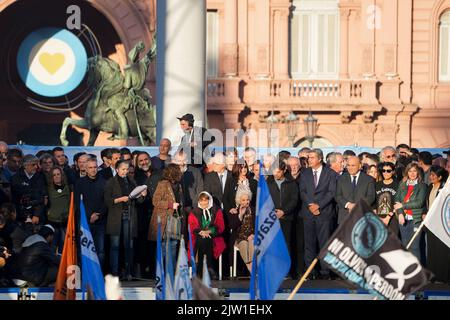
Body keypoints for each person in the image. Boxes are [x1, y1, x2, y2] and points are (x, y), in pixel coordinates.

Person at [104, 160, 147, 279]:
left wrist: (142, 195)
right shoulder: (111, 182)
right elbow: (107, 201)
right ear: (117, 169)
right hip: (116, 217)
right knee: (115, 246)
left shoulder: (131, 181)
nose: (125, 172)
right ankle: (115, 273)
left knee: (129, 245)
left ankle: (129, 272)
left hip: (129, 216)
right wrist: (120, 199)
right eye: (123, 169)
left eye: (127, 169)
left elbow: (138, 200)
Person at [299, 149, 337, 279]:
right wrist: (311, 205)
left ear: (320, 159)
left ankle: (325, 272)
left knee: (324, 244)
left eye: (312, 157)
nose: (309, 160)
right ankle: (310, 272)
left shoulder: (330, 174)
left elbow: (331, 192)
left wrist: (319, 205)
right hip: (308, 214)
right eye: (308, 157)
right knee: (309, 245)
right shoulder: (304, 173)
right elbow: (302, 191)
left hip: (324, 214)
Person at [149, 164, 184, 270]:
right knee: (164, 247)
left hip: (175, 220)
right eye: (179, 170)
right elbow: (155, 201)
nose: (181, 172)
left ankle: (171, 273)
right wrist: (170, 205)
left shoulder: (179, 185)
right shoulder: (163, 184)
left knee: (173, 246)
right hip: (164, 220)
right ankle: (161, 273)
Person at [74, 158, 108, 268]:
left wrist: (98, 214)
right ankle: (85, 274)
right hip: (84, 221)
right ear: (86, 169)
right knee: (83, 250)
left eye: (95, 167)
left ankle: (98, 274)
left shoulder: (104, 182)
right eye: (90, 168)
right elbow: (77, 202)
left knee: (100, 250)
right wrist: (89, 216)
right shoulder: (80, 183)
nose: (93, 170)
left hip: (100, 221)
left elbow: (107, 202)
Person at [266, 159, 298, 272]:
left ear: (284, 170)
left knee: (286, 244)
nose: (276, 174)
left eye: (279, 172)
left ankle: (286, 270)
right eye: (274, 171)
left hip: (286, 218)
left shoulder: (291, 183)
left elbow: (294, 200)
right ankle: (273, 269)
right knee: (272, 245)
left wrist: (284, 211)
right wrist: (273, 213)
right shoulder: (268, 184)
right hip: (271, 219)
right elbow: (265, 200)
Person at [394, 163, 427, 262]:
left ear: (418, 173)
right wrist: (400, 213)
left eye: (414, 171)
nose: (412, 173)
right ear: (407, 172)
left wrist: (403, 206)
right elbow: (397, 199)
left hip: (415, 219)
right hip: (403, 218)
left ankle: (418, 273)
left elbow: (419, 202)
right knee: (405, 245)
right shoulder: (402, 184)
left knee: (415, 247)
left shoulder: (422, 186)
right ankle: (408, 271)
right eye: (410, 171)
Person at [188, 191, 226, 279]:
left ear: (210, 200)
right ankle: (208, 268)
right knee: (202, 240)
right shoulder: (194, 212)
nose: (203, 203)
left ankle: (203, 270)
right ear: (199, 201)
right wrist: (201, 232)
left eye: (206, 200)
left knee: (207, 240)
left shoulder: (216, 210)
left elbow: (221, 225)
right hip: (198, 236)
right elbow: (192, 226)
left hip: (214, 236)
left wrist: (209, 231)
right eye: (201, 200)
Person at [424, 166, 450, 284]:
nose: (431, 177)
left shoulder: (444, 189)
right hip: (430, 223)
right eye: (431, 174)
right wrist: (425, 213)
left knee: (441, 251)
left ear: (440, 177)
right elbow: (427, 203)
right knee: (431, 249)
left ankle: (443, 277)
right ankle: (432, 275)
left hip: (440, 223)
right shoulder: (429, 187)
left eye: (434, 175)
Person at [11, 155, 47, 225]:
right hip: (20, 217)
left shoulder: (41, 178)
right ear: (25, 166)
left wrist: (36, 215)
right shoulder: (15, 179)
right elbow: (15, 200)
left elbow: (41, 198)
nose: (36, 167)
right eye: (33, 165)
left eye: (37, 164)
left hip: (37, 217)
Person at [227, 187, 254, 273]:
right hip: (239, 237)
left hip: (252, 236)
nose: (246, 202)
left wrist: (254, 234)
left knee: (252, 243)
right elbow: (232, 226)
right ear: (239, 201)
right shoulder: (234, 211)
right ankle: (250, 268)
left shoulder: (254, 210)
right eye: (243, 200)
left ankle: (251, 268)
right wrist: (240, 216)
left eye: (247, 200)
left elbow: (259, 225)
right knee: (243, 244)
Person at [46, 166, 71, 254]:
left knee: (64, 244)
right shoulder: (48, 189)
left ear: (62, 175)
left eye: (58, 174)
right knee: (53, 245)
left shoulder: (69, 188)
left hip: (66, 221)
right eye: (54, 175)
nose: (56, 176)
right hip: (53, 222)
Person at [375, 162, 400, 236]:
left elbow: (397, 203)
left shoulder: (398, 185)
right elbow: (373, 202)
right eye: (383, 170)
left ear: (393, 172)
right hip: (378, 218)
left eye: (388, 171)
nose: (385, 173)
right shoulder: (377, 184)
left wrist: (388, 217)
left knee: (392, 243)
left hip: (392, 219)